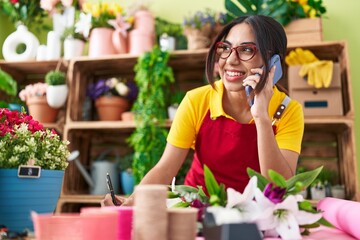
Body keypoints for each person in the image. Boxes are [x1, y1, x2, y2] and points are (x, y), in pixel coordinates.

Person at [101, 15, 304, 207]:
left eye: (246, 50)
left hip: (257, 216)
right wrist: (131, 201)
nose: (231, 60)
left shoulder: (287, 110)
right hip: (198, 209)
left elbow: (280, 186)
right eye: (225, 48)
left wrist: (261, 117)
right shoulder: (197, 100)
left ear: (273, 63)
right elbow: (165, 168)